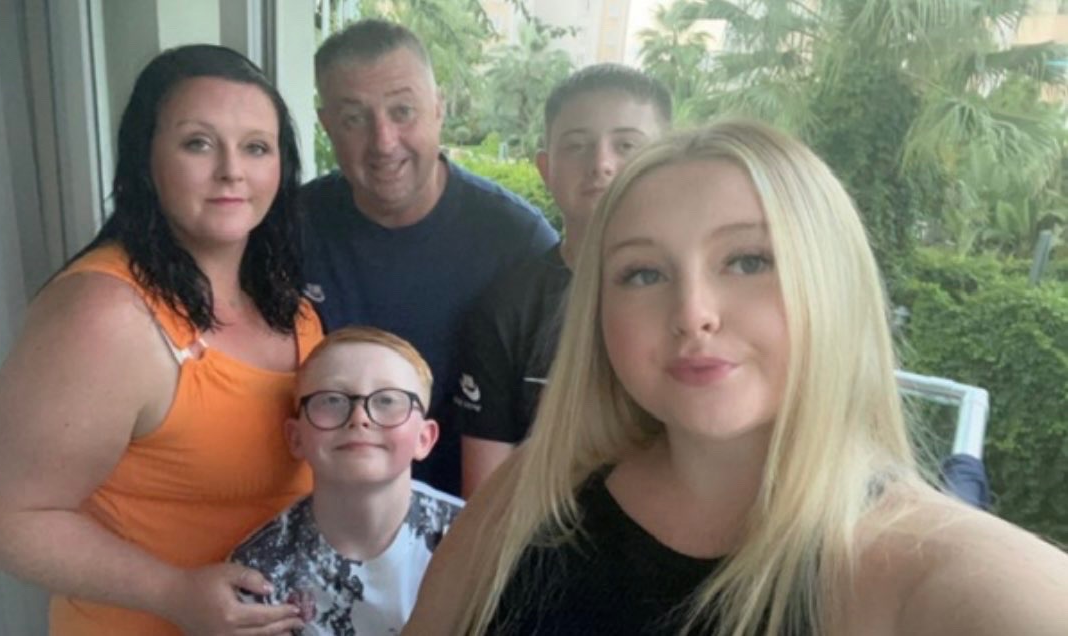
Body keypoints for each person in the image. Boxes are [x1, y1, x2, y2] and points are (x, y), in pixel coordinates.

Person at [404, 120, 1068, 635]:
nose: (692, 313)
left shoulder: (921, 567)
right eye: (643, 273)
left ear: (832, 285)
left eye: (748, 261)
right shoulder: (533, 494)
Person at [0, 45, 322, 636]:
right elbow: (3, 519)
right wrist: (173, 593)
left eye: (256, 147)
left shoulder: (293, 307)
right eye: (198, 143)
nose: (232, 170)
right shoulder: (105, 314)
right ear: (146, 160)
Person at [301, 19, 559, 496]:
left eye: (403, 111)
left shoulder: (518, 241)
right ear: (326, 125)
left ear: (438, 108)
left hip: (473, 509)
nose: (383, 141)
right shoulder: (290, 228)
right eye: (354, 118)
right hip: (321, 507)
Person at [453, 64, 672, 497]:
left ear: (666, 162)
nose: (601, 164)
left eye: (626, 144)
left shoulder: (697, 300)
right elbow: (484, 495)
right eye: (576, 145)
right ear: (545, 167)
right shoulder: (506, 309)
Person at [230, 326, 463, 635]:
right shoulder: (260, 570)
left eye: (387, 400)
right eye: (332, 400)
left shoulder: (477, 539)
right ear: (296, 438)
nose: (359, 417)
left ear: (425, 438)